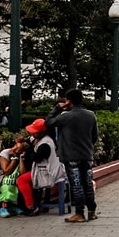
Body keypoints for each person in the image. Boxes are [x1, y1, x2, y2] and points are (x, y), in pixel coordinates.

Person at [45, 88, 99, 222]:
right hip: (86, 155)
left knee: (76, 184)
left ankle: (79, 213)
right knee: (87, 183)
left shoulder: (66, 116)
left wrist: (57, 108)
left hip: (71, 155)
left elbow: (49, 122)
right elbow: (94, 136)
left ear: (68, 101)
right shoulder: (91, 115)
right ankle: (92, 211)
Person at [20, 118, 66, 215]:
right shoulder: (38, 139)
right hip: (41, 171)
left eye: (35, 133)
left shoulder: (46, 144)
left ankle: (31, 207)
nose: (32, 135)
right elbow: (30, 140)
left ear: (42, 132)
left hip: (47, 173)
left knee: (21, 180)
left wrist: (29, 149)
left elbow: (36, 158)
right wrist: (23, 141)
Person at [0, 134, 29, 217]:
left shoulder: (22, 155)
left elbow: (23, 173)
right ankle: (3, 207)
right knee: (8, 180)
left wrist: (21, 158)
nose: (15, 150)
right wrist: (15, 157)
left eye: (20, 149)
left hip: (14, 177)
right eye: (16, 147)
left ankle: (13, 206)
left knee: (21, 180)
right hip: (0, 178)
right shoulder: (5, 153)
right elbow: (6, 171)